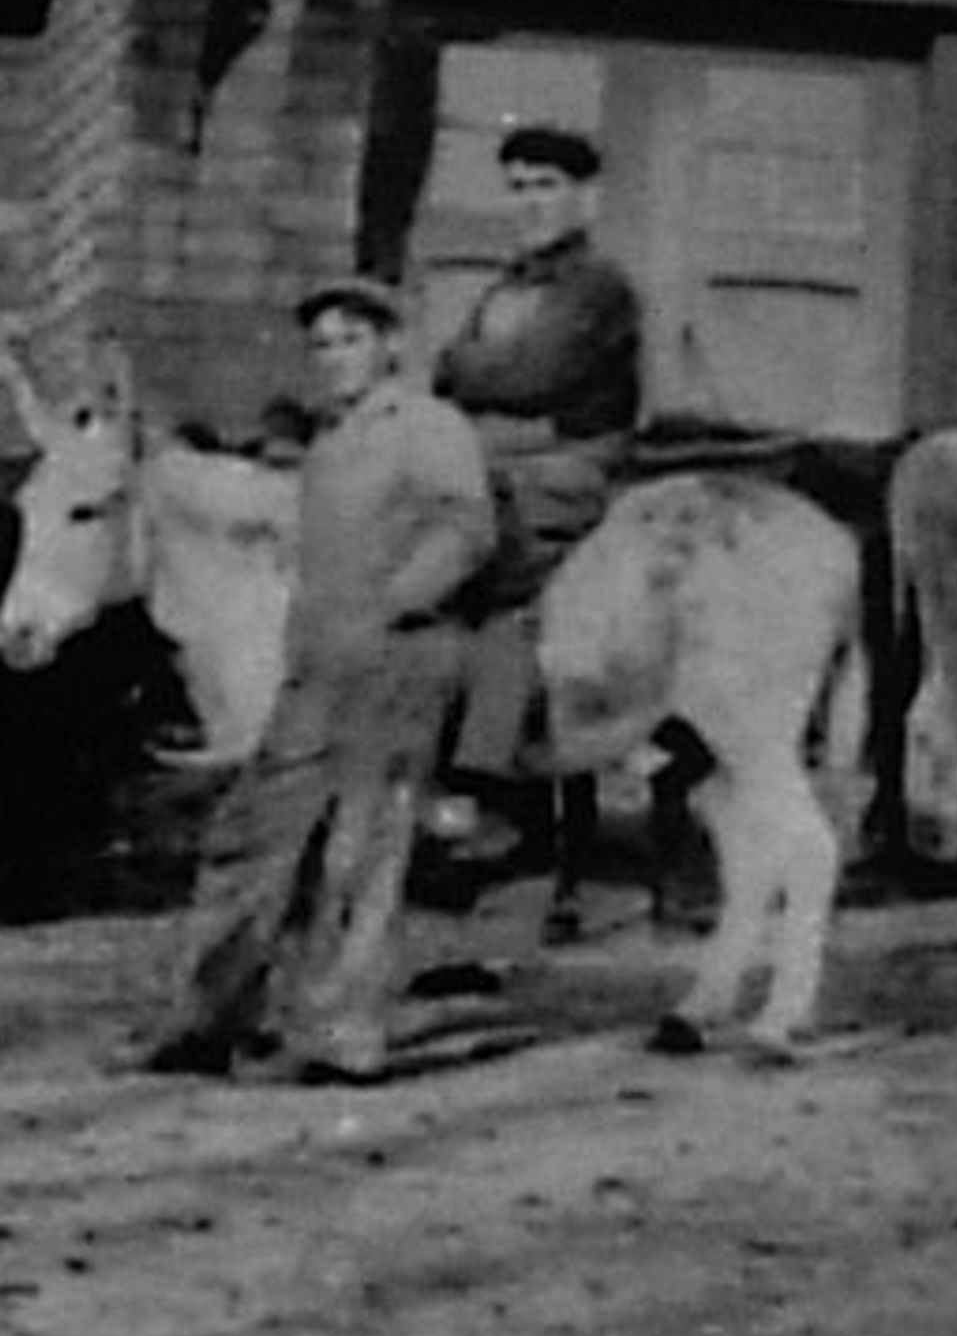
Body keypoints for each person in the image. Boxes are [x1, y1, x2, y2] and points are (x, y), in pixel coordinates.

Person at [141, 277, 496, 1086]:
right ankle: (204, 1022)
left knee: (362, 847)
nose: (336, 357)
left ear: (391, 346)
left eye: (353, 340)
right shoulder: (331, 446)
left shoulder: (428, 425)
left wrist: (395, 604)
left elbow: (465, 527)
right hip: (318, 669)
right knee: (249, 835)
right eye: (324, 344)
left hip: (398, 659)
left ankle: (344, 1035)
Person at [426, 121, 643, 804]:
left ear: (586, 198)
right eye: (517, 188)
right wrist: (477, 373)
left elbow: (531, 375)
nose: (529, 202)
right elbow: (446, 371)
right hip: (502, 461)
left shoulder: (598, 287)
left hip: (574, 470)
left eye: (546, 186)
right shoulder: (502, 288)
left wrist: (475, 372)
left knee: (502, 574)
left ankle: (483, 771)